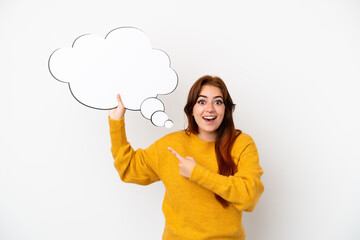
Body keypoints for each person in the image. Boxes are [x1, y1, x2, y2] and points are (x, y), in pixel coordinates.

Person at [108, 75, 264, 240]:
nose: (210, 108)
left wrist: (197, 173)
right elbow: (129, 169)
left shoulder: (242, 143)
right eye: (202, 102)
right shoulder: (171, 144)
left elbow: (249, 197)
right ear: (191, 109)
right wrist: (116, 121)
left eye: (218, 102)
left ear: (226, 109)